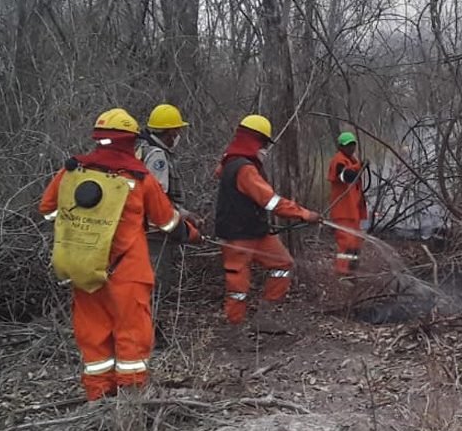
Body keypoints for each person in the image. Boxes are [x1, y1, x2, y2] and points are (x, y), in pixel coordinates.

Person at [40, 108, 200, 402]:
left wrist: (83, 226)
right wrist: (190, 234)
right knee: (132, 335)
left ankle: (98, 398)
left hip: (84, 266)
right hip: (128, 270)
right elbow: (165, 221)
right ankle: (132, 399)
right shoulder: (139, 178)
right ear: (131, 141)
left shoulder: (72, 171)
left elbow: (48, 210)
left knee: (93, 335)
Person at [213, 114, 319, 332]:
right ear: (254, 141)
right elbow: (271, 201)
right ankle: (235, 331)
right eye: (263, 144)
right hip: (237, 237)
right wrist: (305, 214)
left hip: (257, 233)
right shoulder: (244, 169)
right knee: (238, 286)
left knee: (283, 264)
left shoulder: (232, 162)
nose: (265, 150)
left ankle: (265, 316)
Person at [136, 103, 193, 343]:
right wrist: (182, 220)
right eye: (177, 132)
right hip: (155, 232)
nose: (178, 136)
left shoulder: (141, 149)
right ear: (169, 133)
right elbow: (156, 198)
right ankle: (148, 333)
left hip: (139, 228)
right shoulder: (157, 156)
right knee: (156, 283)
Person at [326, 131, 368, 275]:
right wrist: (359, 167)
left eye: (352, 145)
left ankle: (352, 272)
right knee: (346, 245)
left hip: (354, 212)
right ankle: (342, 274)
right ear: (340, 147)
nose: (351, 148)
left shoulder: (352, 160)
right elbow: (346, 176)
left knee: (356, 244)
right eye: (347, 145)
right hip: (343, 213)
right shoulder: (338, 161)